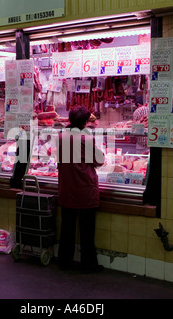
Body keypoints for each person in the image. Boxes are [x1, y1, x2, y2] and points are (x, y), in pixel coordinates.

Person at [57, 105, 105, 273]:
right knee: (87, 231)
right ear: (85, 122)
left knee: (67, 229)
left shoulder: (61, 136)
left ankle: (64, 261)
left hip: (67, 188)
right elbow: (99, 161)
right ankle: (88, 264)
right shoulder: (86, 139)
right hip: (84, 189)